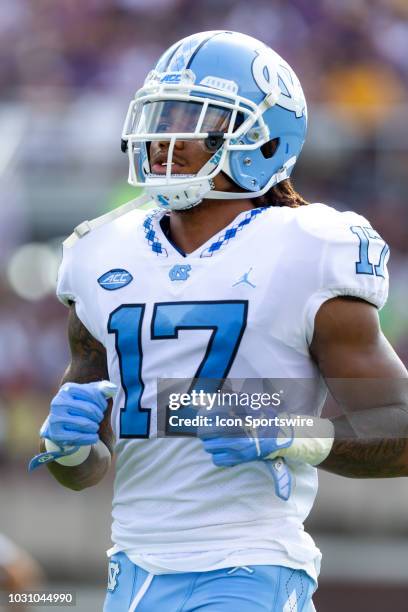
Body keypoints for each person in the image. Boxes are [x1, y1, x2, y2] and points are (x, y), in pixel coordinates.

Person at [30, 31, 408, 611]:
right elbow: (91, 464)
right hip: (130, 571)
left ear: (262, 137)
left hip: (249, 564)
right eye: (160, 115)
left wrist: (294, 434)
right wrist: (71, 451)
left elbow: (401, 426)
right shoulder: (97, 252)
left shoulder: (308, 245)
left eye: (193, 118)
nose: (164, 138)